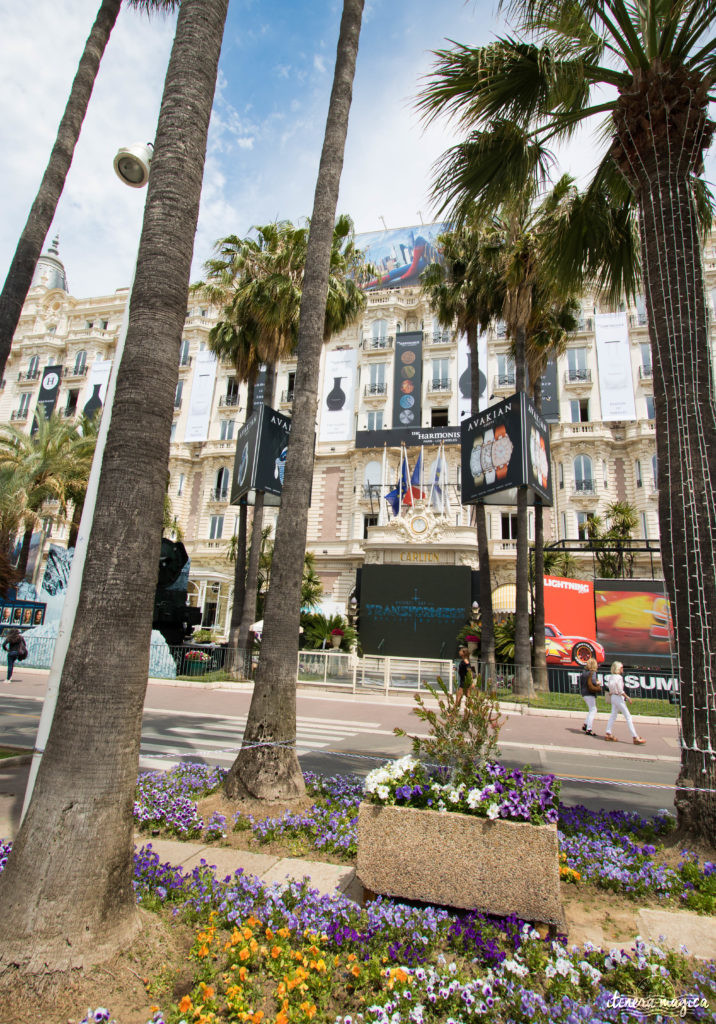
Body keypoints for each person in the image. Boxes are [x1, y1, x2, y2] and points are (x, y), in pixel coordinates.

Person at [605, 661, 646, 744]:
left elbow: (610, 688)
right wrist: (627, 697)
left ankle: (608, 733)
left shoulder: (611, 677)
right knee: (628, 717)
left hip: (613, 697)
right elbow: (620, 690)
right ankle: (635, 737)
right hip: (618, 698)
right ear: (618, 669)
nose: (622, 669)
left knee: (613, 715)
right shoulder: (619, 678)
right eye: (621, 667)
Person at [579, 656, 601, 736]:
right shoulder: (593, 673)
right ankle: (589, 729)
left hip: (584, 693)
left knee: (591, 709)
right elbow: (594, 682)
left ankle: (585, 724)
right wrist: (598, 683)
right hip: (590, 693)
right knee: (593, 710)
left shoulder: (584, 672)